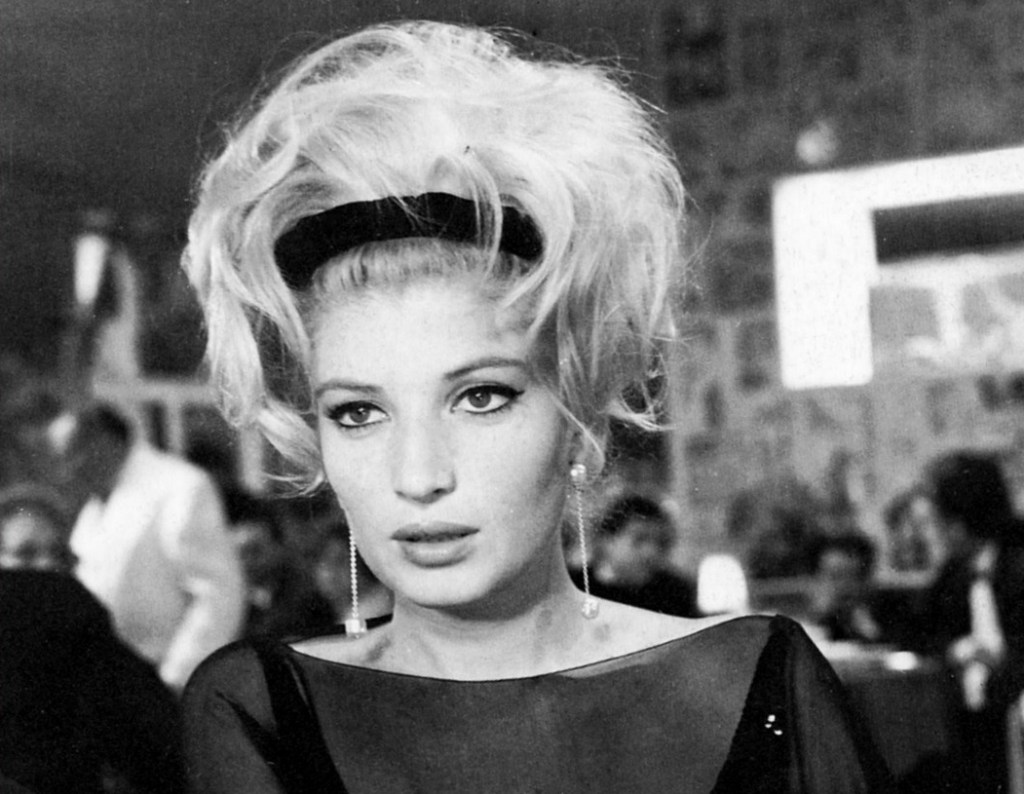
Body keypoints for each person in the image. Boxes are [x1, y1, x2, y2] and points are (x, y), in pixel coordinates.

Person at [180, 21, 893, 792]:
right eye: (358, 413)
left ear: (578, 417)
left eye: (480, 397)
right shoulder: (260, 709)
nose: (418, 475)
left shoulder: (755, 680)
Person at [0, 485, 185, 794]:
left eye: (59, 554)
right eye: (25, 553)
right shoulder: (74, 611)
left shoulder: (84, 630)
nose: (46, 566)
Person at [51, 401, 246, 692]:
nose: (65, 472)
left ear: (103, 441)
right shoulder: (96, 502)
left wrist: (178, 677)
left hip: (168, 681)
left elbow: (217, 593)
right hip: (112, 681)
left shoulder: (180, 486)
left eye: (70, 456)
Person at [911, 451, 1024, 794]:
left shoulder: (1017, 560)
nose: (933, 533)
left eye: (937, 522)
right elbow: (918, 629)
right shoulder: (956, 572)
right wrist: (958, 649)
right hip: (976, 716)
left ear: (959, 522)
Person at [229, 492, 336, 639]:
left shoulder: (308, 597)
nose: (246, 562)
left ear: (278, 547)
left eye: (254, 551)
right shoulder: (230, 606)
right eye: (239, 554)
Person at [585, 493, 698, 617]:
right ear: (607, 540)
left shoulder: (675, 592)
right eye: (639, 539)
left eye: (660, 543)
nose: (651, 552)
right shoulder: (579, 584)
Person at [808, 533, 883, 644]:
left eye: (842, 576)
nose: (839, 586)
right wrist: (819, 617)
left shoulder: (887, 613)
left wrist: (867, 630)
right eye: (828, 575)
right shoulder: (816, 616)